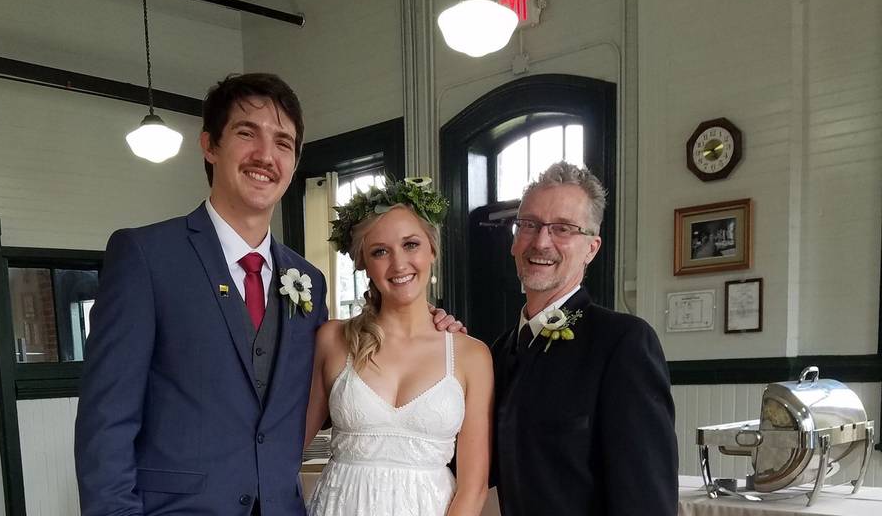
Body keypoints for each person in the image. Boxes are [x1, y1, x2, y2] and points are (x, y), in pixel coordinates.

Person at [74, 73, 460, 516]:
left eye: (283, 142)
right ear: (209, 145)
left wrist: (429, 332)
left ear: (294, 162)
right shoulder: (145, 256)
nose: (265, 155)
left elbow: (339, 383)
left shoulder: (309, 281)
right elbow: (106, 423)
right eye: (246, 133)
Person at [490, 160, 678, 516]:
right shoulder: (497, 352)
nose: (541, 242)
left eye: (563, 228)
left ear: (592, 248)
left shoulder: (623, 343)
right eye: (528, 225)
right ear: (515, 241)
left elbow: (646, 500)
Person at [304, 178, 493, 516]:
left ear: (432, 249)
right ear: (363, 262)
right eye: (380, 251)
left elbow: (473, 487)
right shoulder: (333, 340)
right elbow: (287, 447)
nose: (399, 264)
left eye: (411, 245)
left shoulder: (471, 355)